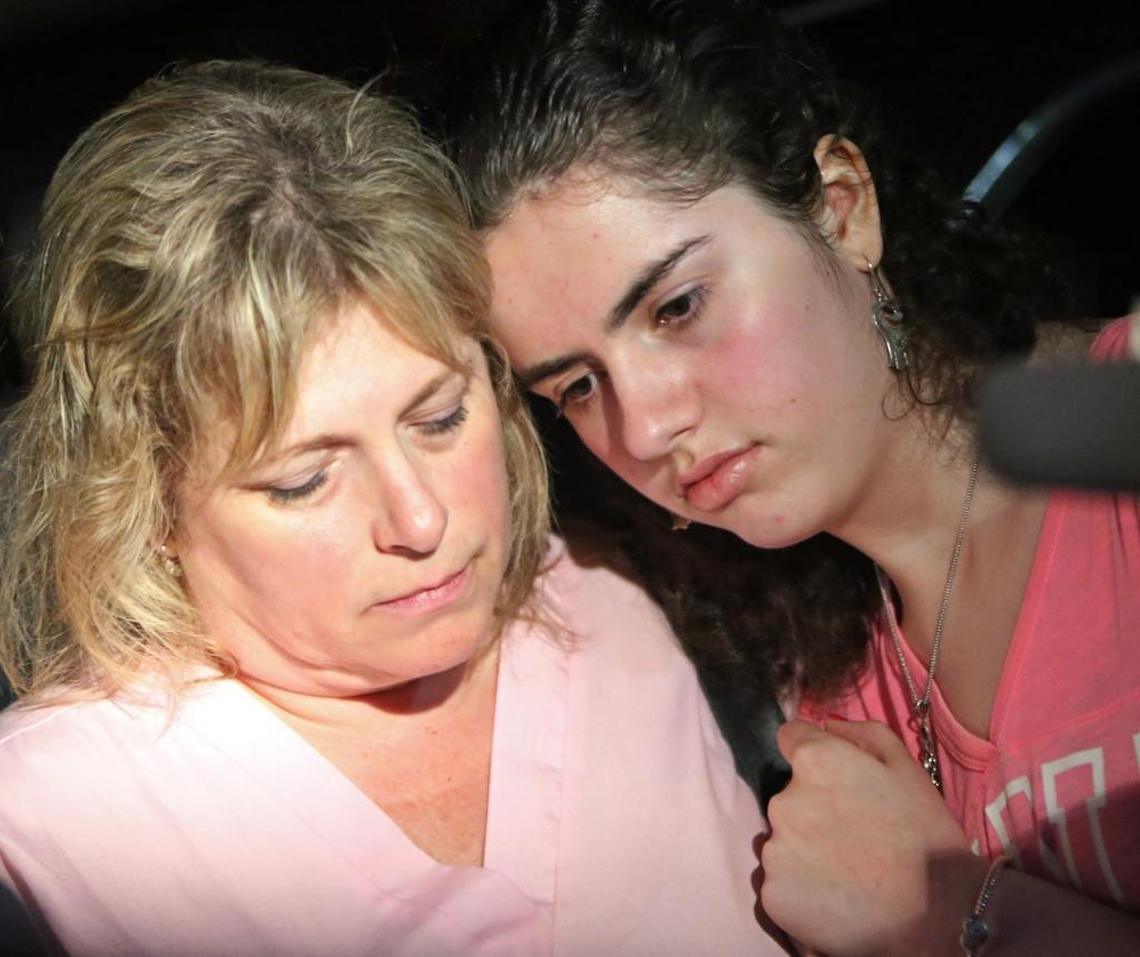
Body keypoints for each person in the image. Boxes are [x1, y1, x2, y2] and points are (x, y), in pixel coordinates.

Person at [0, 60, 781, 956]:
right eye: (305, 480)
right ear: (148, 501)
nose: (420, 521)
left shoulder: (634, 596)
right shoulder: (48, 827)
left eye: (441, 418)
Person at [436, 1, 1140, 953]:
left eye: (679, 305)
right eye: (578, 384)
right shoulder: (826, 692)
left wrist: (958, 910)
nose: (644, 427)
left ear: (842, 207)